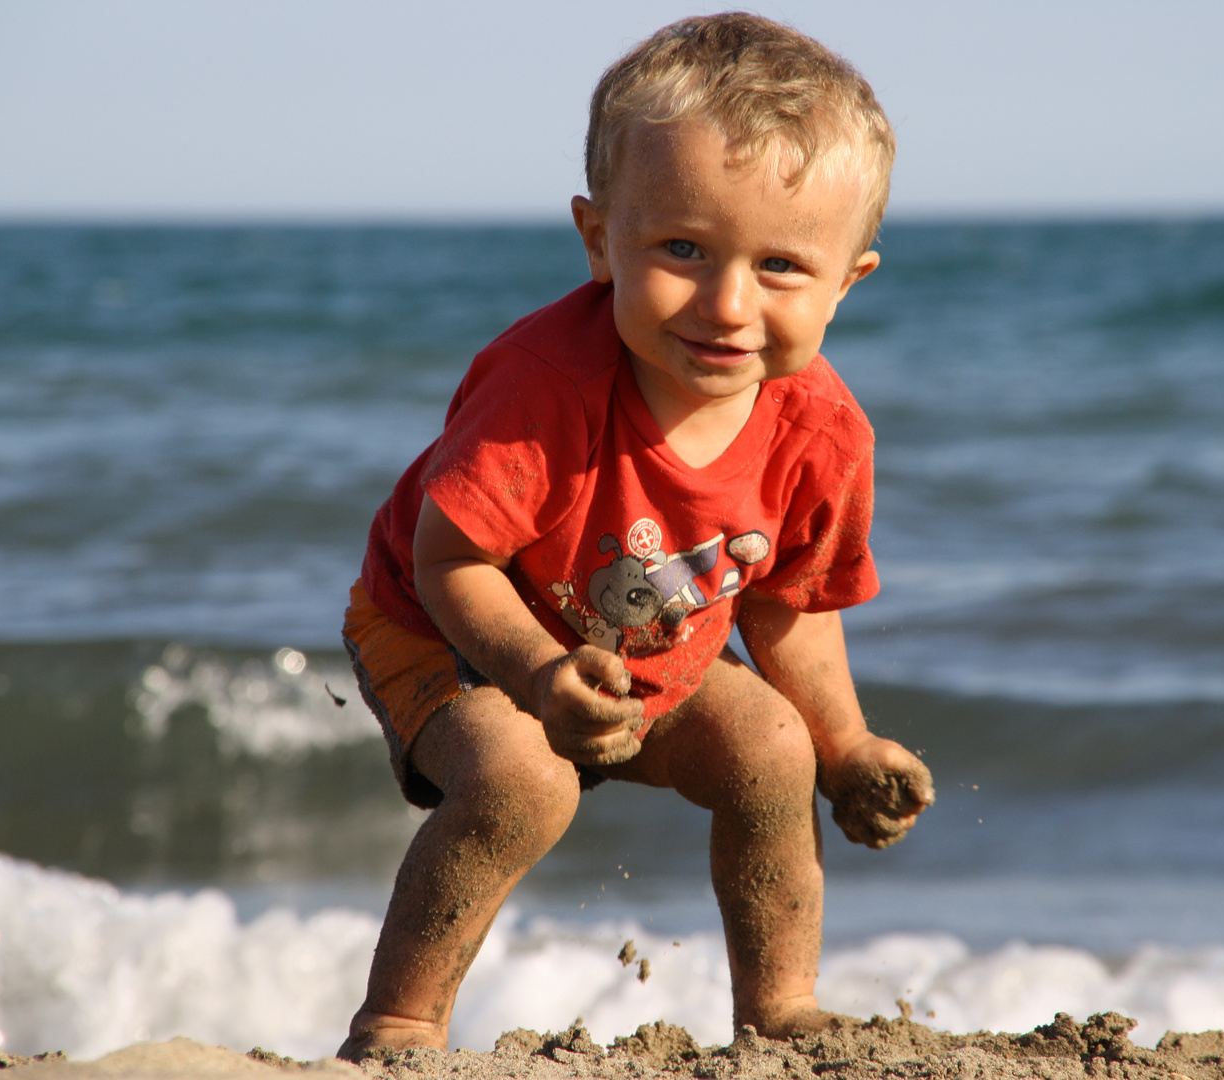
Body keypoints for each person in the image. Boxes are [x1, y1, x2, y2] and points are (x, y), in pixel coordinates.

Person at [339, 12, 934, 1057]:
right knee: (525, 781)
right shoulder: (546, 385)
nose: (727, 302)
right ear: (597, 236)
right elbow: (450, 559)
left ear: (850, 282)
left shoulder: (824, 431)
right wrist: (535, 675)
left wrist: (846, 746)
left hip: (644, 648)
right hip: (448, 630)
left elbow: (788, 605)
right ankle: (398, 1025)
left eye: (783, 266)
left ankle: (780, 1010)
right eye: (682, 249)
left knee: (772, 749)